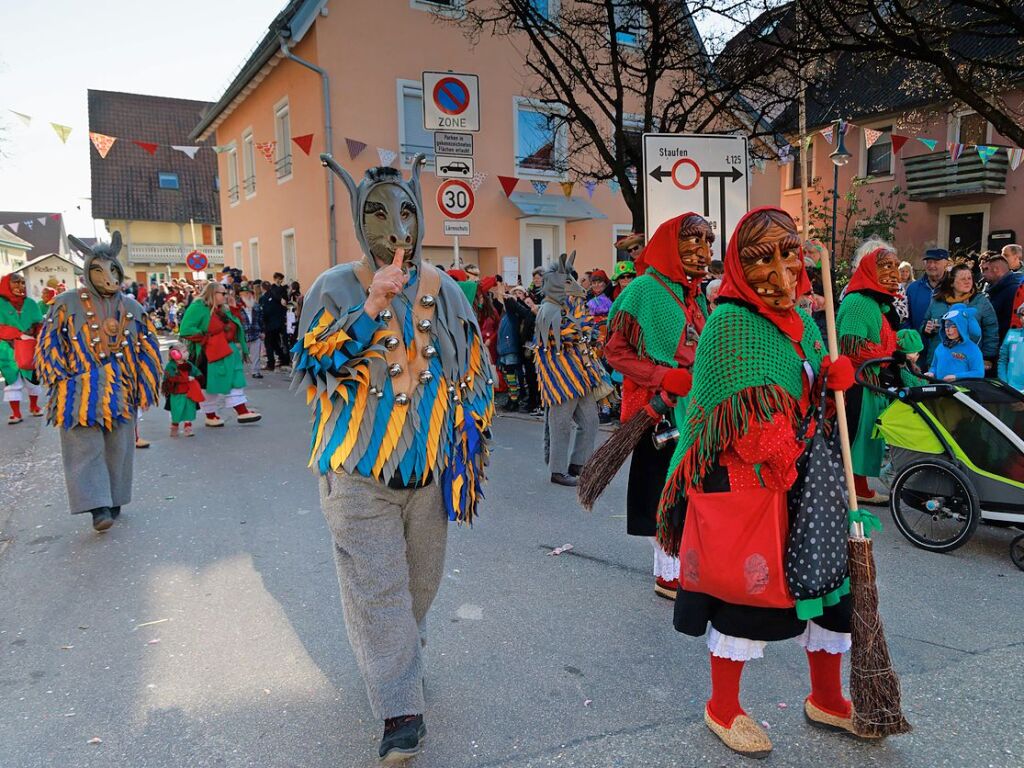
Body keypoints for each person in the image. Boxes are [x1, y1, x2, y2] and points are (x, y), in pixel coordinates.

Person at [298, 156, 494, 762]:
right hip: (357, 472)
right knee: (379, 589)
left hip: (428, 472)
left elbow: (476, 372)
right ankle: (400, 712)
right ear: (361, 219)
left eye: (405, 210)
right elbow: (312, 361)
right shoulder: (333, 286)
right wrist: (370, 307)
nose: (395, 226)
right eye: (379, 212)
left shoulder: (448, 290)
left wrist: (470, 448)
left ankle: (399, 665)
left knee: (418, 588)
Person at [656, 207, 861, 759]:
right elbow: (737, 415)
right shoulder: (730, 322)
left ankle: (827, 697)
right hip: (751, 481)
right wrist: (781, 446)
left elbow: (812, 382)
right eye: (761, 257)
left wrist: (831, 378)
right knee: (748, 599)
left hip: (808, 478)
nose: (779, 270)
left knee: (829, 588)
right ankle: (723, 707)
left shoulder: (802, 319)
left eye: (787, 254)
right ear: (739, 265)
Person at [605, 213, 711, 599]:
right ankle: (669, 570)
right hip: (659, 407)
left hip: (694, 405)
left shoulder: (695, 292)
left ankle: (679, 564)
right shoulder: (643, 290)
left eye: (708, 243)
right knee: (660, 486)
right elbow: (615, 352)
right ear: (671, 245)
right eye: (694, 243)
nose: (704, 252)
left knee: (687, 485)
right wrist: (662, 377)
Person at [35, 233, 162, 532]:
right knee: (84, 447)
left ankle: (114, 499)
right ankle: (97, 506)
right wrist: (60, 377)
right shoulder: (66, 303)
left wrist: (145, 381)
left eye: (112, 270)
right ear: (89, 272)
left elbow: (148, 346)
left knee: (119, 447)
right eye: (99, 270)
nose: (108, 277)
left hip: (122, 387)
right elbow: (50, 342)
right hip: (79, 391)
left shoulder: (132, 308)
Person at [836, 242, 902, 504]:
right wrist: (887, 355)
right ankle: (854, 490)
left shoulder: (875, 304)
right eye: (887, 266)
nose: (895, 273)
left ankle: (858, 488)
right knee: (856, 439)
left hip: (869, 380)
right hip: (857, 381)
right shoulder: (860, 302)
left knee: (864, 439)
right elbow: (851, 343)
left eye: (896, 266)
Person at [533, 251, 605, 487]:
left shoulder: (571, 305)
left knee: (591, 421)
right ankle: (557, 470)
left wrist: (582, 330)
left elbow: (585, 327)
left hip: (581, 375)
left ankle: (579, 463)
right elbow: (557, 339)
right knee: (560, 426)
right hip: (561, 379)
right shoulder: (547, 310)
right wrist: (579, 330)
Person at [179, 282, 261, 427]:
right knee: (212, 385)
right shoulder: (198, 307)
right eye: (222, 293)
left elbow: (235, 325)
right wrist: (207, 337)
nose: (226, 296)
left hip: (227, 352)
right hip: (212, 353)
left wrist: (233, 308)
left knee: (233, 379)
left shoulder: (221, 309)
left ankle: (236, 412)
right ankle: (221, 414)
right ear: (212, 293)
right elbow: (186, 328)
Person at [922, 263, 999, 371]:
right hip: (939, 361)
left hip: (968, 362)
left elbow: (991, 330)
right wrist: (926, 329)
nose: (967, 281)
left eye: (969, 278)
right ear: (952, 283)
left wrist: (987, 357)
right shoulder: (937, 301)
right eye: (963, 279)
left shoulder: (981, 301)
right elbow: (925, 323)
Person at [0, 273, 45, 424]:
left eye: (22, 283)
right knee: (12, 379)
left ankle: (34, 406)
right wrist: (17, 334)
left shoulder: (31, 303)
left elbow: (39, 323)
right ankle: (16, 413)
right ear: (7, 284)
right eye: (16, 283)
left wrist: (36, 333)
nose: (21, 286)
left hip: (29, 346)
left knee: (33, 378)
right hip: (8, 348)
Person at [928, 304, 985, 382]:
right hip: (941, 389)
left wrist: (957, 376)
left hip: (962, 391)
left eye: (954, 326)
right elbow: (934, 366)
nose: (949, 330)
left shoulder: (972, 349)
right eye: (946, 326)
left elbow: (979, 373)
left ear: (962, 326)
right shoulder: (941, 347)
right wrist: (931, 373)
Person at [981, 251, 1024, 345]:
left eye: (986, 269)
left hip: (1006, 345)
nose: (983, 273)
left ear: (996, 269)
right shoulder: (995, 289)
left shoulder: (1013, 291)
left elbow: (1009, 323)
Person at [161, 343, 202, 437]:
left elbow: (195, 371)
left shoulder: (188, 364)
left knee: (189, 410)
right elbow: (171, 378)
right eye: (184, 351)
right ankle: (174, 426)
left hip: (189, 392)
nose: (187, 353)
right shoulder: (171, 366)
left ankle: (188, 427)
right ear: (176, 354)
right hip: (177, 393)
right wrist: (186, 379)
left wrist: (199, 376)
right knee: (177, 411)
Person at [905, 247, 948, 333]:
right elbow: (905, 318)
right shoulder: (913, 288)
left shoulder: (953, 287)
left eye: (936, 262)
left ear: (945, 264)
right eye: (929, 262)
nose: (931, 266)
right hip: (918, 344)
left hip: (945, 344)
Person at [260, 272, 290, 371]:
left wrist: (262, 324)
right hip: (278, 322)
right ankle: (283, 358)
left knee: (269, 343)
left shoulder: (265, 297)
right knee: (274, 343)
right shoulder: (275, 293)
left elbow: (265, 312)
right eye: (278, 278)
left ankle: (271, 363)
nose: (280, 280)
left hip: (271, 324)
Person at [239, 284, 264, 378]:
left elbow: (261, 319)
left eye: (249, 293)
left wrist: (262, 331)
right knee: (240, 355)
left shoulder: (256, 305)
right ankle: (238, 372)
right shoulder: (237, 306)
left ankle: (255, 371)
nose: (248, 295)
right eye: (245, 294)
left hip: (255, 333)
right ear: (240, 295)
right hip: (242, 335)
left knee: (256, 354)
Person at [998, 303, 1024, 391]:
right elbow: (1003, 359)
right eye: (1022, 314)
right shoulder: (1012, 333)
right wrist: (1004, 383)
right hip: (1011, 387)